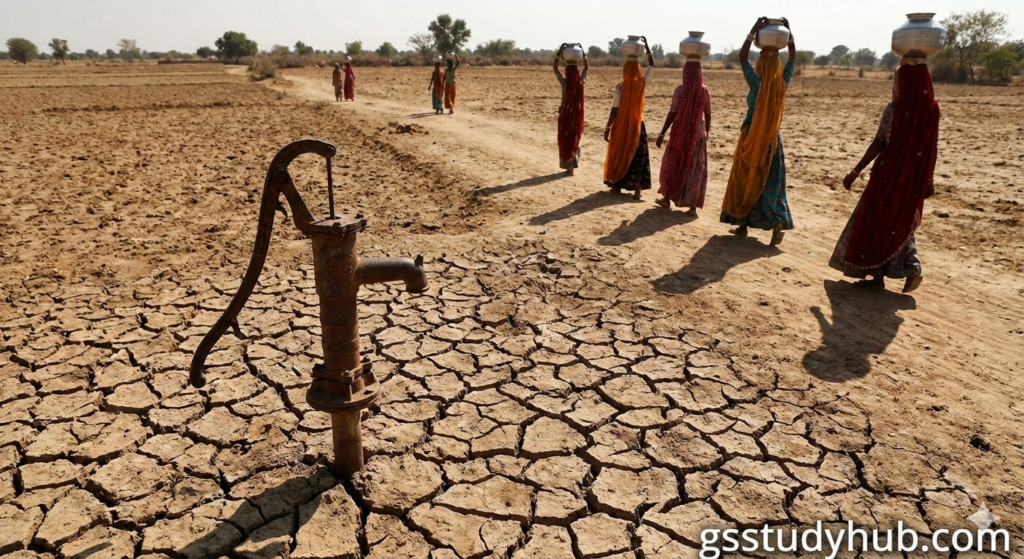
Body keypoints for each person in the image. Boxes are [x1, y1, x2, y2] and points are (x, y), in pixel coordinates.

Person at [828, 57, 939, 293]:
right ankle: (902, 268)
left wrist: (855, 171)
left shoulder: (893, 110)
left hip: (886, 176)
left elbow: (880, 142)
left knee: (876, 222)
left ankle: (889, 271)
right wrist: (928, 179)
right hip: (913, 179)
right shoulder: (932, 110)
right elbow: (932, 148)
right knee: (901, 222)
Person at [720, 17, 796, 246]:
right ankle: (776, 223)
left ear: (761, 64)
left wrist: (752, 32)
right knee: (770, 182)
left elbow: (742, 57)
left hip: (752, 135)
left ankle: (742, 222)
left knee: (746, 178)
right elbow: (792, 57)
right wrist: (789, 33)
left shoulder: (756, 82)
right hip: (772, 139)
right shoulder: (783, 80)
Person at [655, 59, 711, 215]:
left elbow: (672, 113)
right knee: (695, 169)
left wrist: (662, 133)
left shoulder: (680, 91)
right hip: (697, 136)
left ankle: (666, 199)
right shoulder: (705, 91)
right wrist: (706, 132)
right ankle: (692, 207)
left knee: (673, 165)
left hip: (679, 134)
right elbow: (707, 114)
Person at [603, 37, 656, 199]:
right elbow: (652, 66)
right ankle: (637, 191)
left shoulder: (620, 87)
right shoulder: (642, 82)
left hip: (622, 125)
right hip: (638, 125)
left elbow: (614, 110)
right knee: (637, 156)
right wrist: (647, 47)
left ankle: (616, 186)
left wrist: (607, 127)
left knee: (620, 153)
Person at [553, 45, 589, 175]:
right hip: (577, 115)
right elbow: (586, 67)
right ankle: (572, 165)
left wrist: (558, 54)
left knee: (565, 138)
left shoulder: (564, 83)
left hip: (565, 113)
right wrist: (583, 54)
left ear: (567, 72)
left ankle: (569, 165)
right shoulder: (581, 81)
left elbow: (555, 69)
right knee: (574, 138)